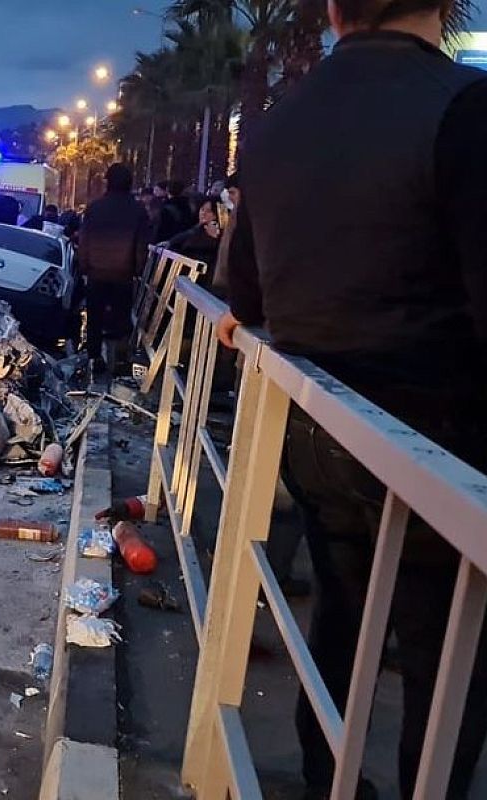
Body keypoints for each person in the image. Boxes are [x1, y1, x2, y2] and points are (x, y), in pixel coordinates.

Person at [217, 0, 487, 795]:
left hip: (314, 430)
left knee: (340, 615)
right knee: (448, 659)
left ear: (334, 11)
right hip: (439, 438)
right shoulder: (465, 107)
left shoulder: (275, 124)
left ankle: (323, 773)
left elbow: (250, 296)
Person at [78, 163, 151, 376]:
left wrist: (84, 266)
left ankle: (94, 357)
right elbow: (141, 244)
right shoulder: (138, 211)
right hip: (123, 274)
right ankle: (120, 360)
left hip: (96, 273)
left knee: (95, 317)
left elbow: (84, 240)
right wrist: (137, 269)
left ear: (108, 182)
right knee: (121, 317)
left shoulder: (95, 208)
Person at [165, 196, 222, 276]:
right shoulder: (194, 230)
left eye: (208, 211)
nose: (203, 213)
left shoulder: (216, 236)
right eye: (202, 209)